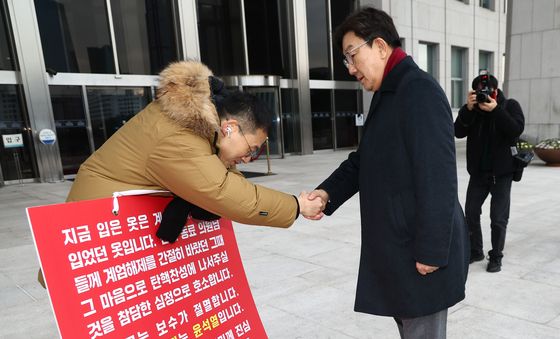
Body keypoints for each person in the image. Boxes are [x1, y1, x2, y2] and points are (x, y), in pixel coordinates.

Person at [38, 60, 323, 288]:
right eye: (252, 149)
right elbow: (224, 192)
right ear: (230, 127)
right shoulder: (180, 134)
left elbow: (222, 178)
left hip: (117, 227)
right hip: (95, 235)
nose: (249, 158)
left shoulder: (198, 129)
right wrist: (296, 206)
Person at [306, 7, 469, 339]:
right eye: (346, 61)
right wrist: (327, 193)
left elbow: (438, 177)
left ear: (379, 46)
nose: (351, 69)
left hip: (421, 256)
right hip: (400, 251)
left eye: (353, 56)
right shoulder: (388, 94)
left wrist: (432, 251)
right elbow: (364, 160)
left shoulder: (419, 92)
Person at [454, 72, 524, 273]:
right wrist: (467, 109)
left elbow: (515, 129)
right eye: (479, 92)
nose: (484, 96)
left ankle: (496, 256)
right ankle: (475, 250)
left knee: (498, 218)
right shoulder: (473, 110)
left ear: (495, 91)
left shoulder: (510, 106)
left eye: (487, 92)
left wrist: (496, 110)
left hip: (502, 174)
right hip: (478, 174)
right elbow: (457, 131)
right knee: (471, 213)